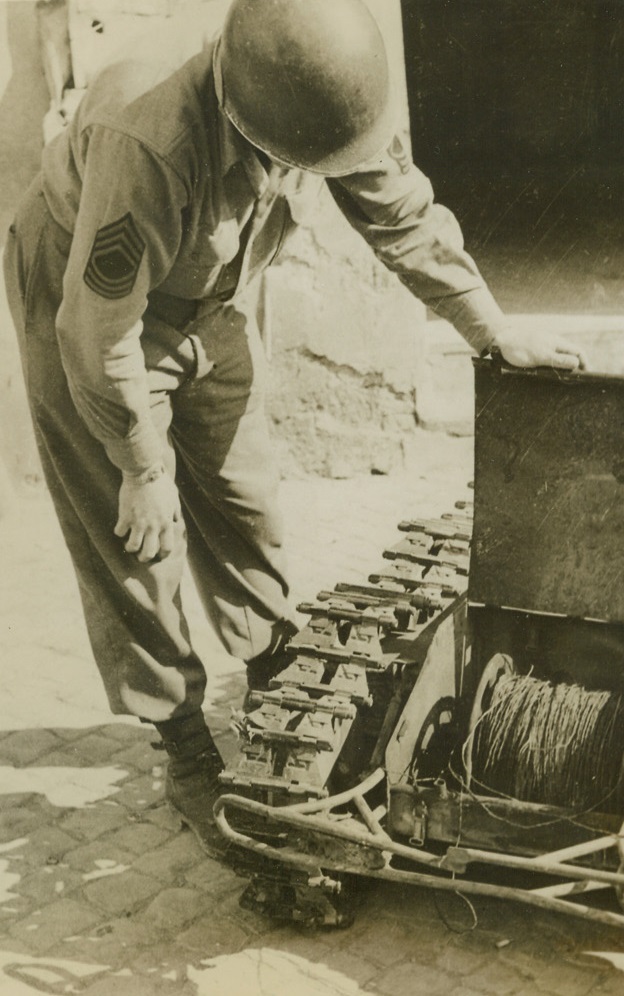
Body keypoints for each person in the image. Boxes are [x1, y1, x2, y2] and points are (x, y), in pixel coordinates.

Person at [4, 0, 584, 858]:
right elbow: (97, 332)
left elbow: (402, 212)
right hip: (88, 305)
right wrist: (141, 463)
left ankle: (277, 673)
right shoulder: (150, 136)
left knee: (246, 494)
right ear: (248, 123)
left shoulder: (320, 94)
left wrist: (490, 328)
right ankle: (185, 744)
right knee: (136, 539)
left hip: (208, 299)